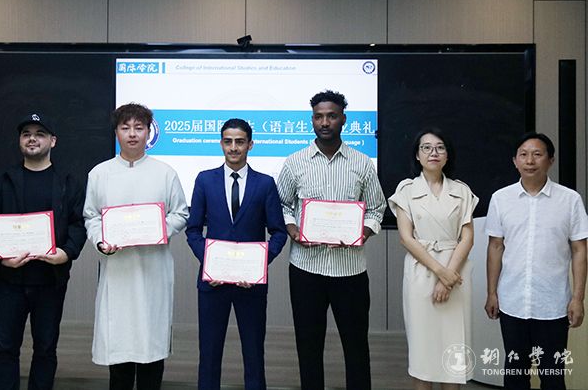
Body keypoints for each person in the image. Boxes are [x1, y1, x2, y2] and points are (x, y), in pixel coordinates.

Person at [276, 90, 386, 390]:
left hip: (350, 270)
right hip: (306, 268)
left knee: (356, 344)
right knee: (308, 344)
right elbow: (282, 204)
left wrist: (362, 232)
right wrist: (293, 230)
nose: (325, 122)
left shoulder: (362, 163)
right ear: (312, 120)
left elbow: (377, 208)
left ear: (343, 120)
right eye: (319, 117)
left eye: (331, 116)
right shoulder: (295, 162)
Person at [84, 103, 189, 390]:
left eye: (139, 128)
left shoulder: (165, 173)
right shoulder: (100, 173)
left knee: (151, 348)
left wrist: (158, 230)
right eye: (125, 127)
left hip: (153, 270)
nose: (132, 134)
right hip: (117, 270)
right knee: (119, 349)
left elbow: (180, 213)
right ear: (116, 132)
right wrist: (101, 241)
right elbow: (91, 216)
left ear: (148, 133)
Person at [0, 113, 87, 390]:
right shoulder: (2, 180)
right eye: (26, 133)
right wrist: (2, 256)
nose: (32, 139)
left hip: (50, 280)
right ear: (19, 141)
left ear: (53, 141)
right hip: (10, 281)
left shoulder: (68, 181)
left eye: (40, 134)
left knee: (46, 349)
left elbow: (78, 223)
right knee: (5, 348)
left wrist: (66, 252)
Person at [185, 118, 287, 390]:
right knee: (209, 352)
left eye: (240, 142)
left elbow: (278, 232)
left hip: (251, 285)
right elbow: (193, 230)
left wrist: (259, 265)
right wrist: (209, 262)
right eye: (228, 141)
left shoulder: (265, 184)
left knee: (254, 352)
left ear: (250, 145)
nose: (233, 147)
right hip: (213, 283)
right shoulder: (205, 180)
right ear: (221, 143)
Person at [484, 132, 587, 390]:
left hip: (553, 304)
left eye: (537, 154)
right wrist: (491, 293)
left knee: (553, 376)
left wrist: (578, 298)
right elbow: (495, 247)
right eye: (524, 155)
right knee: (515, 374)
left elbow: (579, 249)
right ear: (515, 161)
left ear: (550, 160)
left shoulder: (570, 200)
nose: (530, 161)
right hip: (512, 302)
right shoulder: (501, 198)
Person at [388, 128, 476, 389]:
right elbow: (406, 238)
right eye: (426, 147)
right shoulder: (406, 189)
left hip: (456, 273)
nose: (433, 153)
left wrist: (448, 277)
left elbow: (467, 238)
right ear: (417, 155)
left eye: (440, 147)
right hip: (422, 271)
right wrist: (441, 272)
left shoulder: (462, 191)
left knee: (453, 352)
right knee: (423, 355)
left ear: (448, 155)